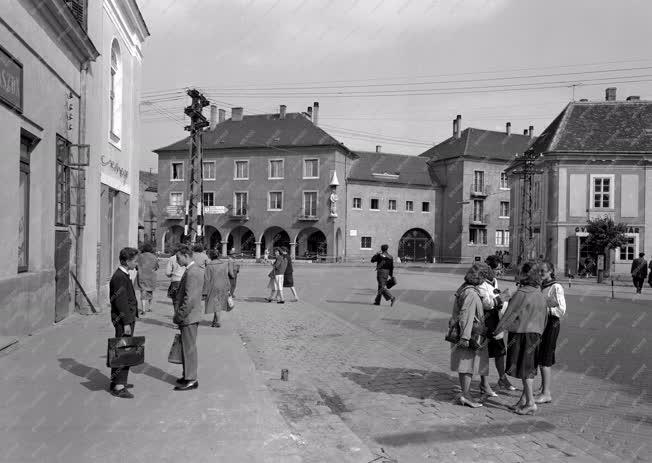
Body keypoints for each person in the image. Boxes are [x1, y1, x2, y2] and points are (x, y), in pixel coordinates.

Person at [494, 261, 548, 415]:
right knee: (529, 367)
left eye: (518, 272)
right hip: (536, 334)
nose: (516, 274)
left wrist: (498, 330)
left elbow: (510, 314)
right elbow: (545, 318)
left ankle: (530, 402)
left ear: (525, 275)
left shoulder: (521, 294)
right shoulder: (539, 294)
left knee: (525, 370)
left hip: (522, 334)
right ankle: (523, 400)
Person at [449, 263, 490, 408]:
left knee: (464, 364)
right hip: (469, 333)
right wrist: (465, 338)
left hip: (461, 331)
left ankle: (465, 393)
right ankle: (466, 395)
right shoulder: (472, 293)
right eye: (485, 277)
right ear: (481, 277)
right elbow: (466, 315)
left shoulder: (464, 287)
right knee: (467, 365)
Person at [480, 256, 515, 393]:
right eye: (498, 269)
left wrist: (503, 299)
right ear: (489, 269)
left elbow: (495, 298)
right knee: (484, 353)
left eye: (501, 268)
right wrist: (502, 298)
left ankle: (502, 378)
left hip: (496, 320)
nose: (500, 271)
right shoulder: (481, 284)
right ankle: (484, 383)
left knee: (500, 351)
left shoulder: (494, 281)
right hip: (485, 321)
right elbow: (487, 303)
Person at [172, 245, 205, 391]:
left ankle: (191, 379)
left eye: (178, 257)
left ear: (186, 255)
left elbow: (189, 299)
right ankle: (187, 375)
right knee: (186, 347)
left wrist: (179, 315)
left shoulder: (193, 272)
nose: (177, 260)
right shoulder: (192, 270)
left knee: (189, 348)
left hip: (189, 317)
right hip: (190, 316)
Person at [109, 247, 140, 399]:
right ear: (127, 261)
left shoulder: (122, 274)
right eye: (135, 261)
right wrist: (127, 322)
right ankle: (119, 386)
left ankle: (116, 381)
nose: (136, 263)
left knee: (121, 349)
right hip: (123, 321)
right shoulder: (120, 277)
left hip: (124, 319)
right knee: (124, 351)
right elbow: (121, 302)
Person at [536, 261, 566, 405]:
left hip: (551, 324)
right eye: (539, 271)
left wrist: (544, 308)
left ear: (551, 271)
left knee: (545, 358)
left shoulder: (556, 286)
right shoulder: (541, 286)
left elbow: (561, 310)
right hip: (541, 323)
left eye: (543, 271)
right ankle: (543, 386)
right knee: (541, 356)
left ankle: (546, 393)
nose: (541, 274)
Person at [203, 249, 230, 328]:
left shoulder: (209, 265)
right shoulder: (224, 264)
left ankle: (217, 321)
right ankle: (215, 320)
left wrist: (204, 291)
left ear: (210, 256)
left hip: (213, 286)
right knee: (219, 303)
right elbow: (226, 276)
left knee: (216, 303)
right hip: (223, 285)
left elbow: (207, 279)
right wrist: (228, 286)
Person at [136, 243, 159, 315]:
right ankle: (150, 307)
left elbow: (136, 266)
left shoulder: (140, 256)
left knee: (143, 291)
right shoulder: (154, 257)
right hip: (151, 277)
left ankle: (143, 309)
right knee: (150, 291)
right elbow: (156, 267)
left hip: (142, 276)